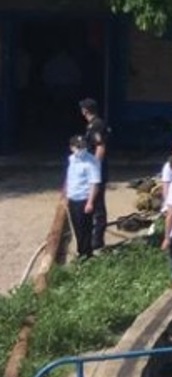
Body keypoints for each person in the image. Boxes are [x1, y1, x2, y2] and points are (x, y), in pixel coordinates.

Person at [78, 98, 111, 254]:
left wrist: (94, 169)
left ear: (85, 110)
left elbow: (100, 147)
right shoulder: (93, 125)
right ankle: (92, 237)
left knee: (97, 206)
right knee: (92, 204)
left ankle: (97, 241)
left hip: (96, 173)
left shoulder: (97, 125)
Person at [62, 134, 101, 261]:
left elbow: (94, 183)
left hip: (84, 199)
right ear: (72, 147)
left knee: (85, 228)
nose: (81, 149)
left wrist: (90, 202)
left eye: (83, 147)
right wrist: (66, 195)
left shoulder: (91, 161)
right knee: (77, 228)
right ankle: (82, 252)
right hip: (73, 198)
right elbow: (69, 178)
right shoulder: (71, 159)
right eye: (78, 147)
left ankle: (86, 254)